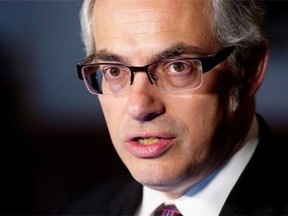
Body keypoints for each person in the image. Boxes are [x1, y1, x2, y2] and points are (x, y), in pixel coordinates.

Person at [59, 0, 288, 215]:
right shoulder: (81, 210)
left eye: (177, 67)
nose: (138, 107)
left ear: (250, 68)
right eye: (114, 71)